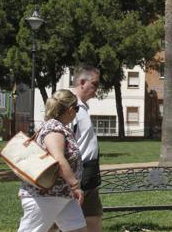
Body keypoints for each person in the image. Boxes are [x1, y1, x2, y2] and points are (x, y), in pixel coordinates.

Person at [17, 90, 86, 232]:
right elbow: (58, 159)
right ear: (70, 109)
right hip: (46, 196)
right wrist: (75, 186)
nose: (76, 112)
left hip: (63, 194)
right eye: (77, 108)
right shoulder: (54, 128)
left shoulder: (59, 127)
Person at [71, 64, 102, 232]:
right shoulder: (70, 107)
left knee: (93, 218)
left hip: (89, 176)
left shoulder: (81, 108)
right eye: (95, 84)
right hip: (75, 176)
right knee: (53, 223)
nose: (97, 88)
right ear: (82, 82)